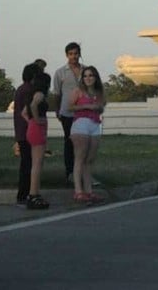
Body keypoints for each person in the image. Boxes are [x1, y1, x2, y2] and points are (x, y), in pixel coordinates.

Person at [69, 66, 106, 203]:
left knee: (89, 159)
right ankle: (78, 191)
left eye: (91, 75)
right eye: (85, 76)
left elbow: (101, 107)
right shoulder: (78, 91)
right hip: (81, 124)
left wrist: (98, 107)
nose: (88, 78)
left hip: (95, 124)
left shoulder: (99, 92)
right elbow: (70, 107)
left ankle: (89, 191)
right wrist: (87, 106)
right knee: (80, 157)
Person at [51, 41, 83, 184]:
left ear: (79, 54)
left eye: (76, 54)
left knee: (82, 142)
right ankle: (69, 171)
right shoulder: (60, 72)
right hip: (67, 112)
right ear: (66, 55)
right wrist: (57, 110)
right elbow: (57, 94)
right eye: (71, 54)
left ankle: (81, 171)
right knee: (69, 142)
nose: (73, 56)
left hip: (83, 112)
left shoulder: (86, 71)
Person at [23, 72, 51, 210]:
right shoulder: (40, 95)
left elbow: (23, 112)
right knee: (37, 164)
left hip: (32, 128)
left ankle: (33, 193)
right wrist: (37, 119)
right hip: (38, 128)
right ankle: (34, 194)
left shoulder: (31, 95)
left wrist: (31, 121)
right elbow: (34, 106)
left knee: (36, 162)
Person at [14, 63, 39, 207]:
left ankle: (24, 193)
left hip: (21, 132)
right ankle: (24, 194)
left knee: (26, 163)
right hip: (28, 131)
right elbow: (27, 111)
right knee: (28, 164)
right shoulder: (29, 91)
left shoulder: (20, 89)